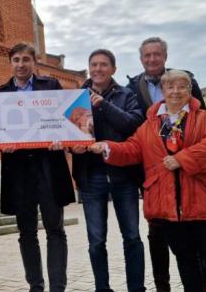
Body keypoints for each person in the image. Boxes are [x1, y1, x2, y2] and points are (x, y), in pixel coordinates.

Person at [90, 70, 206, 292]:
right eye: (170, 87)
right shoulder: (151, 124)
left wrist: (181, 159)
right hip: (169, 206)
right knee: (186, 262)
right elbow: (133, 148)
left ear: (189, 90)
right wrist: (107, 147)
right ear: (163, 92)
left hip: (204, 202)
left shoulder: (205, 119)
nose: (176, 91)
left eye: (181, 87)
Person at [0, 42, 75, 292]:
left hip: (49, 166)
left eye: (26, 59)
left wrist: (62, 138)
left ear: (34, 62)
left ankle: (58, 286)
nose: (21, 64)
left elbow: (65, 121)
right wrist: (3, 145)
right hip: (18, 172)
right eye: (16, 59)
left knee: (55, 229)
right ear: (10, 63)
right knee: (27, 232)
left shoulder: (52, 86)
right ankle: (35, 286)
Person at [126, 36, 206, 292]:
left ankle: (198, 285)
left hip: (185, 169)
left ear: (165, 57)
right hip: (152, 173)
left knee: (191, 232)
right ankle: (163, 286)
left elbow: (200, 118)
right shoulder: (132, 87)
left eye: (156, 54)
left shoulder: (185, 81)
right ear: (141, 59)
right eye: (147, 55)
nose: (152, 59)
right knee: (157, 232)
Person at [71, 49, 145, 292]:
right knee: (96, 241)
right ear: (89, 68)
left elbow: (132, 124)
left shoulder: (127, 95)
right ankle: (102, 288)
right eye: (94, 64)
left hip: (123, 175)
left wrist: (103, 105)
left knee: (132, 237)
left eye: (104, 65)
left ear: (113, 69)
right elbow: (69, 132)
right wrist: (74, 148)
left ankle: (136, 288)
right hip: (91, 177)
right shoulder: (77, 97)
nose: (98, 69)